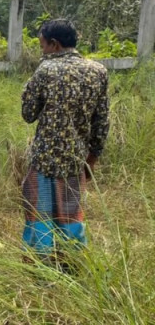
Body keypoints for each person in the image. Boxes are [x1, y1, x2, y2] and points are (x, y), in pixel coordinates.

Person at [21, 19, 109, 264]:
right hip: (75, 160)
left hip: (45, 160)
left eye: (43, 45)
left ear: (54, 44)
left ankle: (41, 264)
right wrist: (93, 158)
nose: (42, 50)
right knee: (70, 216)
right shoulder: (98, 71)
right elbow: (101, 122)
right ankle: (72, 262)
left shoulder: (45, 71)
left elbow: (28, 114)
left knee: (41, 214)